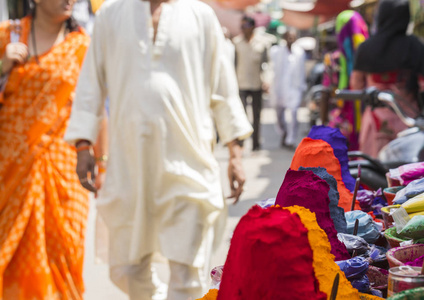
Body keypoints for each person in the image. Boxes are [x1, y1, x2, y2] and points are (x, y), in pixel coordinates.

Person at [64, 0, 253, 299]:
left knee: (187, 269)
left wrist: (235, 155)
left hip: (189, 164)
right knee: (127, 268)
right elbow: (90, 86)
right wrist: (84, 145)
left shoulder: (200, 16)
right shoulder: (111, 15)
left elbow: (224, 91)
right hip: (129, 165)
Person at [0, 0, 98, 298]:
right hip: (11, 171)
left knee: (65, 254)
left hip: (65, 172)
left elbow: (96, 109)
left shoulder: (83, 46)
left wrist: (101, 162)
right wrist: (2, 66)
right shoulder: (7, 36)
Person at [351, 0, 424, 157]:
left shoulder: (366, 47)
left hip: (375, 121)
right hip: (408, 120)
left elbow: (356, 85)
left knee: (372, 168)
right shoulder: (415, 46)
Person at [320, 10, 368, 151]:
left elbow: (325, 93)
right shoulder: (371, 60)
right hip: (366, 129)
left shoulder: (332, 60)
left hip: (339, 130)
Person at [233, 15, 269, 151]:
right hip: (241, 83)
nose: (244, 29)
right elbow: (233, 64)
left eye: (246, 26)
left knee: (256, 115)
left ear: (253, 27)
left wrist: (266, 80)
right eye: (242, 26)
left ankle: (256, 143)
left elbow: (266, 64)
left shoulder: (262, 43)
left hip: (256, 84)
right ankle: (241, 142)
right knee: (241, 115)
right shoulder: (236, 43)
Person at [269, 29, 306, 150]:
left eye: (293, 37)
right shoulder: (276, 51)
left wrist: (302, 88)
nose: (290, 39)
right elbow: (271, 68)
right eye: (288, 37)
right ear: (284, 38)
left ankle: (291, 139)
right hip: (279, 88)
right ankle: (283, 133)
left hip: (294, 88)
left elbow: (302, 71)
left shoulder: (300, 53)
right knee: (279, 115)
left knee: (294, 114)